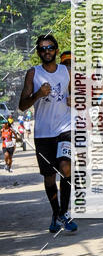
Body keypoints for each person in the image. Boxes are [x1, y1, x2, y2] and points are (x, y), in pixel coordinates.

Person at [19, 34, 77, 233]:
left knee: (66, 168)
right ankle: (56, 213)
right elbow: (21, 105)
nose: (47, 51)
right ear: (38, 52)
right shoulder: (32, 74)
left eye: (50, 47)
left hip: (65, 129)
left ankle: (64, 212)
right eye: (43, 49)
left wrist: (74, 100)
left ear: (56, 50)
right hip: (43, 133)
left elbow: (81, 96)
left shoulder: (68, 71)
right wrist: (37, 94)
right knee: (50, 177)